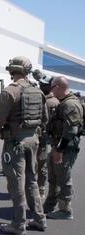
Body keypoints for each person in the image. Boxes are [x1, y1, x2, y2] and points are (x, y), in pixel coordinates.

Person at [0, 56, 48, 234]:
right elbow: (45, 119)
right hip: (33, 140)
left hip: (15, 142)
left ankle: (19, 224)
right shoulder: (38, 91)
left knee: (16, 182)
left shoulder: (10, 91)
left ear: (12, 70)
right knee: (32, 181)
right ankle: (39, 219)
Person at [43, 76, 83, 220]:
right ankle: (50, 205)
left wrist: (59, 150)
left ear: (58, 87)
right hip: (58, 146)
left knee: (64, 179)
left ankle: (65, 211)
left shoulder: (70, 104)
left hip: (65, 148)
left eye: (52, 87)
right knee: (54, 177)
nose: (51, 91)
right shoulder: (64, 103)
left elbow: (71, 131)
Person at [33, 72, 59, 199]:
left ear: (50, 86)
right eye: (40, 84)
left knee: (41, 163)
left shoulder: (51, 102)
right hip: (35, 136)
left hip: (43, 137)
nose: (40, 86)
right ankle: (35, 188)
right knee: (33, 163)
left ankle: (41, 189)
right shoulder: (40, 98)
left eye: (43, 85)